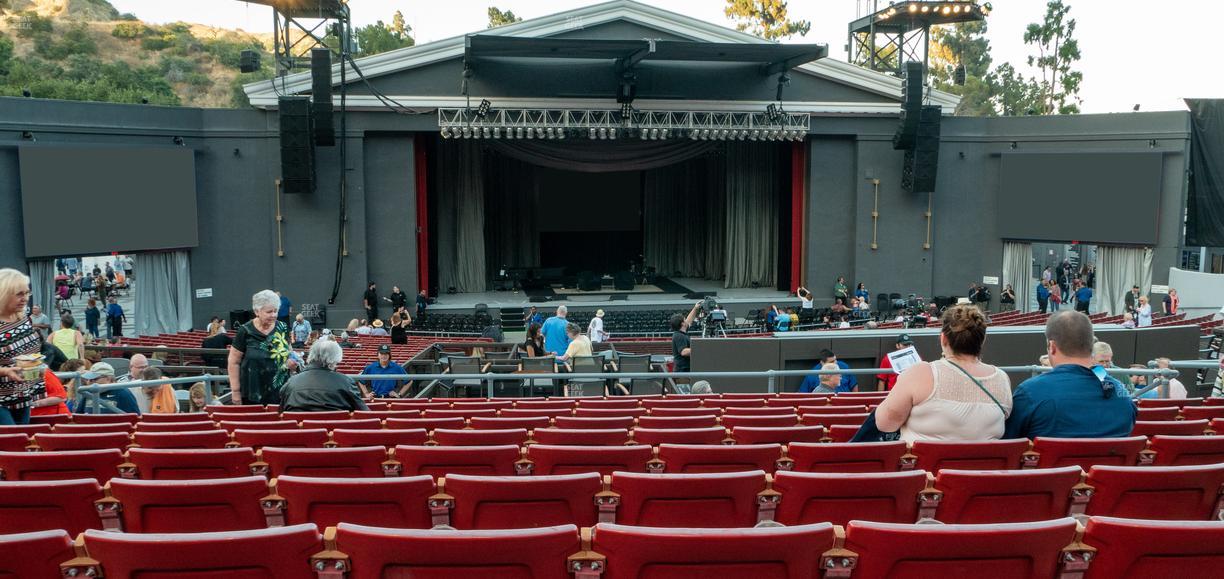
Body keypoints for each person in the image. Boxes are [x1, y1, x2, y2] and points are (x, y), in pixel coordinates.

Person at [874, 305, 1012, 441]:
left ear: (943, 338)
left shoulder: (919, 373)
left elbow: (884, 424)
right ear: (982, 340)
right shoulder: (1002, 378)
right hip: (984, 463)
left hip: (923, 463)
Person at [1004, 311, 1137, 439]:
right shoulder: (1121, 393)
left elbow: (1011, 445)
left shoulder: (1029, 393)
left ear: (1052, 346)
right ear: (1091, 345)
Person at [228, 289, 294, 406]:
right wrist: (235, 391)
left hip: (279, 391)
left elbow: (289, 352)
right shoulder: (245, 331)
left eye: (276, 311)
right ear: (257, 311)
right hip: (252, 392)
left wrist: (291, 361)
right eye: (269, 312)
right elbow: (233, 362)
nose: (273, 315)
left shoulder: (283, 327)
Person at [0, 269, 45, 425]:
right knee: (12, 442)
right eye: (19, 294)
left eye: (27, 293)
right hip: (2, 397)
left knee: (20, 443)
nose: (25, 299)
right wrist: (5, 371)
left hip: (22, 393)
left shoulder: (23, 318)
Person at [280, 340, 368, 412]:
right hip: (336, 431)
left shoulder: (291, 382)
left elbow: (281, 412)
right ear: (336, 359)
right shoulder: (346, 382)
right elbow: (363, 413)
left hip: (300, 432)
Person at [74, 362, 141, 415]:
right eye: (88, 379)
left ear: (108, 379)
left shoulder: (123, 394)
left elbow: (134, 420)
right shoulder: (88, 393)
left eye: (94, 379)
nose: (89, 382)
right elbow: (78, 416)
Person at [671, 302, 702, 375]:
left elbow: (689, 320)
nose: (686, 321)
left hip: (685, 370)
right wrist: (700, 349)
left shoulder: (682, 333)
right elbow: (684, 352)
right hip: (682, 372)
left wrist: (695, 308)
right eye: (684, 320)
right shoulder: (679, 336)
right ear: (682, 323)